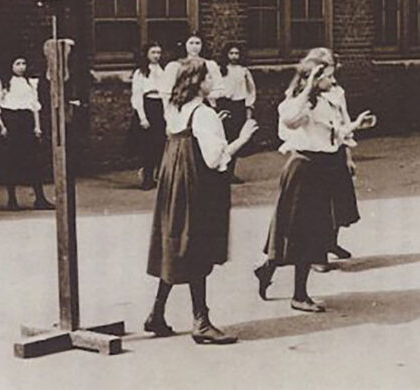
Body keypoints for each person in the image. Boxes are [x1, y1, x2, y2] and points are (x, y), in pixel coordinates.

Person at [144, 58, 258, 344]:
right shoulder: (204, 113)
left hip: (174, 180)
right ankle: (201, 321)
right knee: (196, 246)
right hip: (196, 182)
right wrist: (242, 138)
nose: (214, 82)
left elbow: (185, 136)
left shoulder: (177, 107)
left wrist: (212, 128)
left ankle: (157, 313)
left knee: (176, 243)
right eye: (210, 78)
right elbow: (214, 158)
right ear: (198, 82)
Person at [253, 48, 376, 312]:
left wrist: (356, 126)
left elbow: (334, 133)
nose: (332, 82)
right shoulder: (298, 102)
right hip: (303, 168)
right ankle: (298, 295)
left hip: (321, 168)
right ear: (313, 79)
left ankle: (268, 270)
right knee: (298, 230)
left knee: (308, 231)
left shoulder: (325, 101)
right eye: (327, 78)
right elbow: (289, 120)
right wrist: (307, 87)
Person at [0, 56, 53, 210]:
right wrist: (2, 126)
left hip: (27, 121)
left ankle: (40, 198)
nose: (21, 67)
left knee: (34, 161)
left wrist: (37, 126)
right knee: (11, 161)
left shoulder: (30, 83)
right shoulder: (1, 84)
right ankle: (12, 200)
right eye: (17, 64)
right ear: (10, 65)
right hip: (11, 122)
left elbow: (34, 106)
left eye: (24, 63)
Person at [216, 43, 257, 183]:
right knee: (223, 138)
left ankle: (230, 172)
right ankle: (220, 169)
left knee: (235, 138)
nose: (234, 56)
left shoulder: (243, 71)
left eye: (236, 54)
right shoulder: (220, 70)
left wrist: (248, 108)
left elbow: (251, 91)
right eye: (231, 53)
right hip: (224, 104)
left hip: (238, 106)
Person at [129, 43, 167, 190]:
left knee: (161, 144)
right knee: (148, 146)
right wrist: (142, 117)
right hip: (148, 106)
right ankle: (147, 178)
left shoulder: (163, 71)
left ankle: (159, 176)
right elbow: (137, 95)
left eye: (159, 52)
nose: (156, 56)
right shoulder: (141, 72)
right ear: (147, 54)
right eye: (153, 52)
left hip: (161, 107)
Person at [161, 34, 225, 107]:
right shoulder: (175, 66)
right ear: (185, 45)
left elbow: (219, 88)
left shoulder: (210, 65)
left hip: (204, 104)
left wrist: (202, 96)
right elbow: (166, 91)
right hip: (181, 106)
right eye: (191, 43)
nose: (194, 46)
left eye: (197, 43)